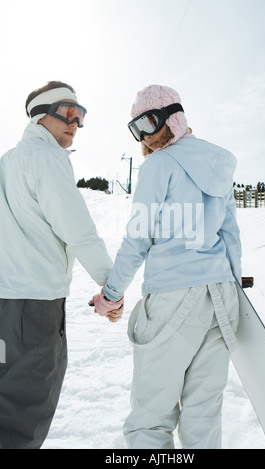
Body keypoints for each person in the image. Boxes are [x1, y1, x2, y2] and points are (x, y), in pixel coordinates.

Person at [90, 84, 242, 449]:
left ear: (173, 117)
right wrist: (233, 289)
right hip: (220, 299)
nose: (146, 136)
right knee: (203, 416)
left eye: (149, 122)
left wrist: (111, 293)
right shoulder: (218, 162)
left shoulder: (160, 165)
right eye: (136, 129)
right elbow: (231, 234)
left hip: (173, 295)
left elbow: (138, 236)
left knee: (150, 418)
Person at [0, 81, 122, 449]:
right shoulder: (47, 158)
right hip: (34, 308)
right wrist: (111, 289)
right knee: (24, 413)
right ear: (41, 115)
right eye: (68, 113)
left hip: (6, 305)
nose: (76, 123)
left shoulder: (7, 161)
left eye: (80, 116)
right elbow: (79, 231)